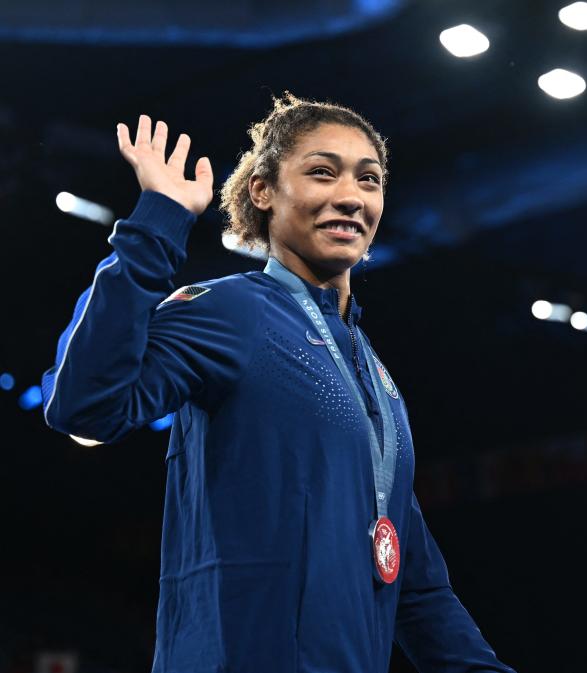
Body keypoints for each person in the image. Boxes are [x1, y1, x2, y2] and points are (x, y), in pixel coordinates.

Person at [42, 93, 514, 673]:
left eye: (370, 180)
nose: (350, 196)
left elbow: (413, 582)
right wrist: (156, 225)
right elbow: (85, 407)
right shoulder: (231, 310)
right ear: (263, 191)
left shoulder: (377, 377)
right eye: (322, 172)